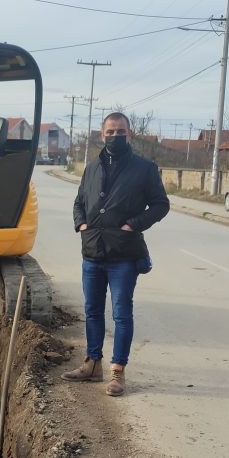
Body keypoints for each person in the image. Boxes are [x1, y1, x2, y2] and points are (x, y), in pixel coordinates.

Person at [61, 112, 169, 396]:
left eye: (121, 131)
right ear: (101, 134)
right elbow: (78, 202)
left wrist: (133, 224)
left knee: (122, 314)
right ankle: (92, 363)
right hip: (92, 252)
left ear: (129, 135)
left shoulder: (144, 168)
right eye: (110, 131)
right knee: (92, 311)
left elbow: (161, 205)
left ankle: (117, 372)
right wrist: (81, 224)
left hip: (123, 255)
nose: (115, 136)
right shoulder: (92, 167)